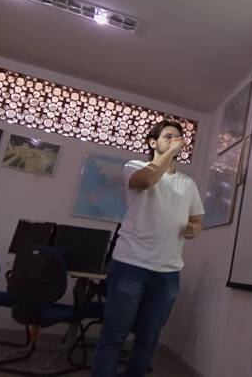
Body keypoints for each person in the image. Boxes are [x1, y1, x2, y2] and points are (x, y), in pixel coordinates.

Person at [92, 119, 204, 377]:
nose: (175, 141)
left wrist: (194, 229)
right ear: (153, 142)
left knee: (148, 339)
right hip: (130, 265)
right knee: (114, 335)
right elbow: (145, 181)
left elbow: (197, 220)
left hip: (168, 272)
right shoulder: (135, 166)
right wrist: (169, 154)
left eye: (178, 138)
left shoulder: (188, 183)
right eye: (168, 136)